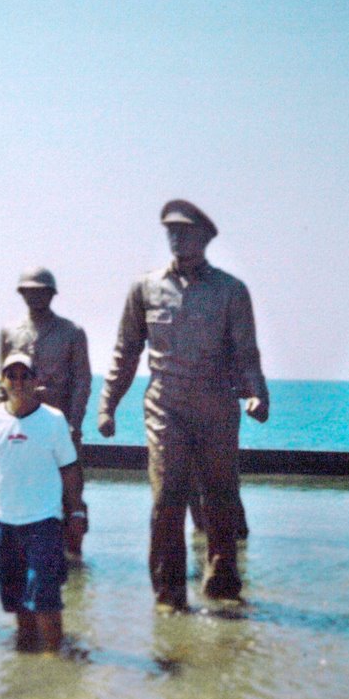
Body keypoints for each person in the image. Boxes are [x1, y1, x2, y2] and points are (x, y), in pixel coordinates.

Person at [97, 199, 269, 609]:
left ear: (205, 238)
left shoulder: (231, 291)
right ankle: (169, 594)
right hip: (165, 405)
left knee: (221, 495)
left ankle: (223, 584)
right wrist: (108, 404)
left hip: (216, 404)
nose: (176, 238)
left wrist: (258, 393)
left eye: (185, 232)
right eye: (170, 232)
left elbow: (247, 352)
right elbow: (125, 350)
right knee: (167, 498)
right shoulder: (145, 287)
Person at [0, 352, 86, 653]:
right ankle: (26, 664)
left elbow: (69, 468)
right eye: (12, 375)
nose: (18, 382)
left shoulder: (53, 419)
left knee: (46, 598)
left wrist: (75, 511)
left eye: (25, 376)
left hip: (44, 523)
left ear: (36, 381)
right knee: (18, 600)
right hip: (3, 522)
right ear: (2, 380)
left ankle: (55, 664)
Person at [0, 267, 91, 559]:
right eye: (30, 290)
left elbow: (81, 380)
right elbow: (2, 383)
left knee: (69, 492)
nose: (35, 296)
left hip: (59, 423)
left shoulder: (71, 333)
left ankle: (73, 555)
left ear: (52, 294)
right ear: (21, 293)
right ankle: (30, 551)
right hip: (23, 423)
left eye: (42, 290)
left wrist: (74, 423)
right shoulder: (10, 332)